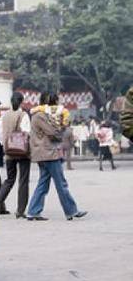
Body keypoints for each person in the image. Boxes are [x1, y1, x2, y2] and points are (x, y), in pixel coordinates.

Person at [26, 92, 87, 221]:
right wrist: (62, 127)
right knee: (61, 183)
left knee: (43, 183)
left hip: (43, 153)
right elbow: (52, 132)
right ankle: (71, 211)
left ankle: (33, 211)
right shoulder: (41, 116)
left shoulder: (39, 115)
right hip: (48, 153)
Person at [0, 91, 31, 219]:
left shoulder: (4, 116)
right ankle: (20, 210)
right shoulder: (23, 115)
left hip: (9, 152)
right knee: (23, 180)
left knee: (9, 179)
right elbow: (27, 132)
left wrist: (7, 145)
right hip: (22, 152)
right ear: (22, 101)